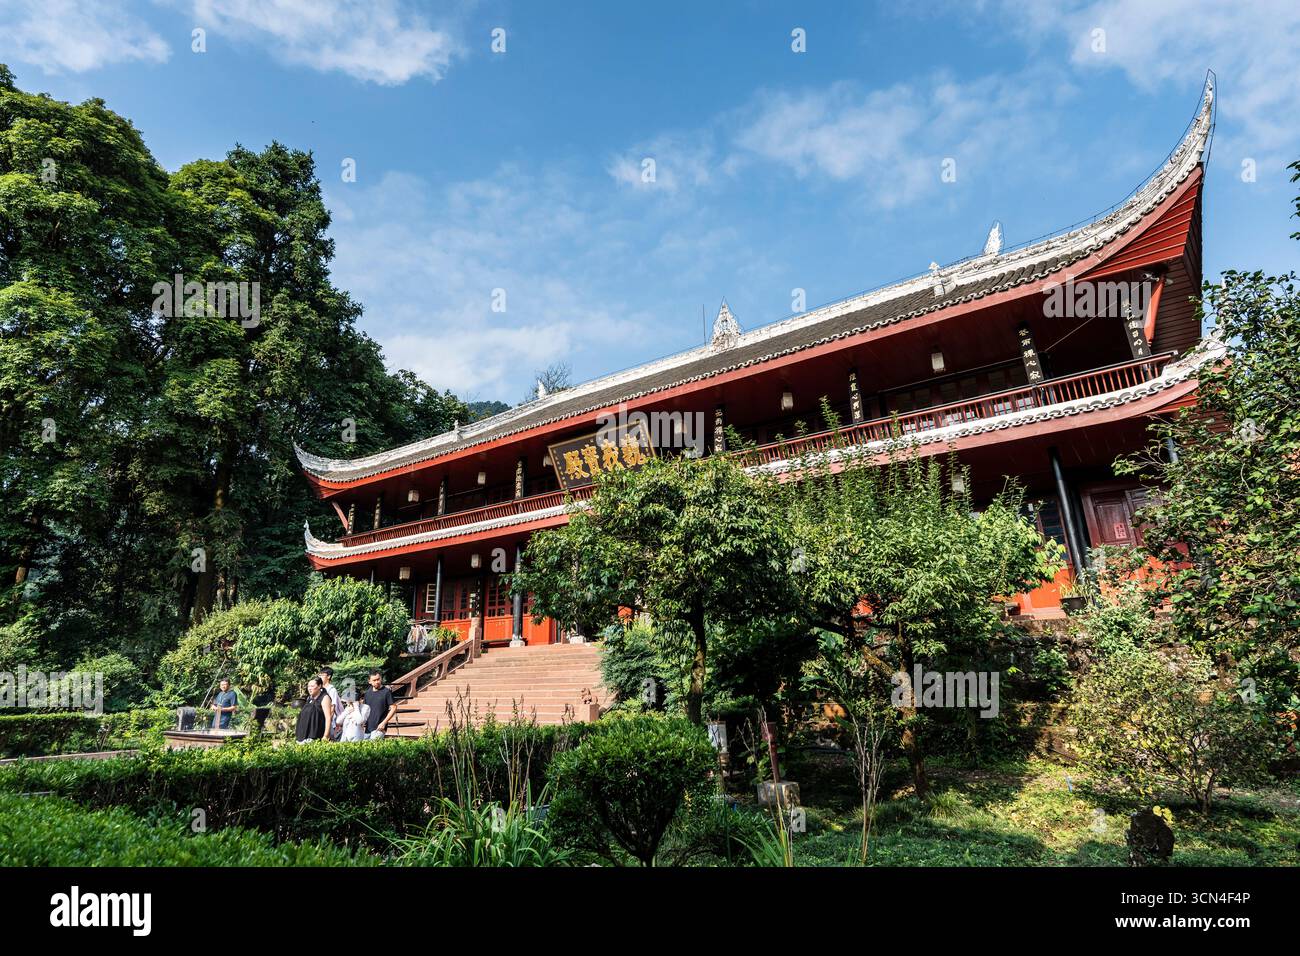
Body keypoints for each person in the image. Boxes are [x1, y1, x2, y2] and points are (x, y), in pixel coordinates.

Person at [295, 677, 332, 743]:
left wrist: (326, 735)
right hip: (302, 735)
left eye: (312, 686)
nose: (309, 688)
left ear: (319, 686)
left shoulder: (324, 698)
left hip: (314, 735)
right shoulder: (309, 699)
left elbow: (328, 718)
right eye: (308, 686)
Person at [363, 670, 397, 739]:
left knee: (373, 748)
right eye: (374, 680)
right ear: (369, 681)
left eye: (378, 679)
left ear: (381, 678)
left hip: (380, 728)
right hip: (368, 728)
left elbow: (394, 708)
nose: (377, 682)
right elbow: (365, 709)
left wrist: (384, 722)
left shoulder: (386, 692)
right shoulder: (367, 693)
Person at [319, 667, 343, 740]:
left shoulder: (332, 690)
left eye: (322, 675)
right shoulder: (320, 689)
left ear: (328, 677)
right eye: (319, 675)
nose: (320, 677)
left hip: (333, 723)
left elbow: (332, 708)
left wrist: (327, 724)